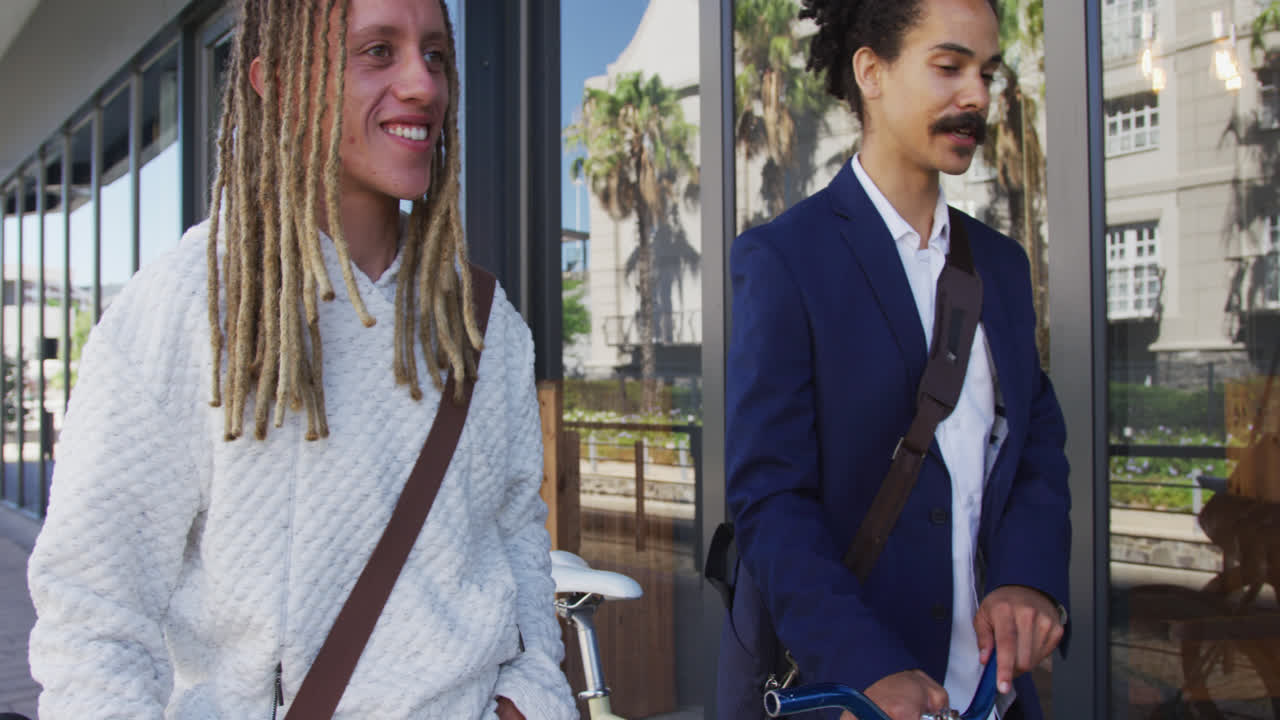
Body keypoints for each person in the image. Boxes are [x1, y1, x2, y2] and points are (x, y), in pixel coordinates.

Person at [26, 1, 576, 718]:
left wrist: (529, 698)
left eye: (436, 54)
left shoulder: (482, 319)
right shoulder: (184, 309)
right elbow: (90, 614)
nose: (423, 84)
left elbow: (514, 532)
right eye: (378, 51)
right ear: (276, 81)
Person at [717, 0, 1071, 718]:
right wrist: (866, 668)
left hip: (992, 694)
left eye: (987, 73)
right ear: (871, 72)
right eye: (949, 67)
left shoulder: (1000, 266)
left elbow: (1034, 441)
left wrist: (1029, 581)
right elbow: (770, 500)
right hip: (854, 693)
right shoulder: (786, 259)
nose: (976, 96)